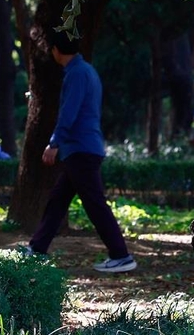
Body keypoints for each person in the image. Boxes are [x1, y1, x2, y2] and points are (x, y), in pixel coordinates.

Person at [24, 28, 136, 273]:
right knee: (58, 200)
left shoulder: (77, 74)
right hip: (82, 148)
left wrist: (54, 143)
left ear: (55, 50)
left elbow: (69, 113)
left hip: (81, 149)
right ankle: (37, 248)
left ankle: (121, 255)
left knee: (95, 204)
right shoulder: (85, 71)